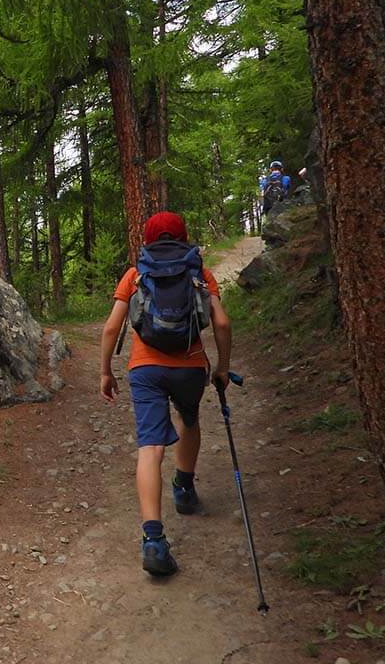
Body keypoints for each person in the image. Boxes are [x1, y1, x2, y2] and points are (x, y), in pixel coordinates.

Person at [99, 212, 233, 576]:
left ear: (148, 238)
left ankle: (153, 540)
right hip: (189, 366)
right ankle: (184, 489)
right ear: (183, 236)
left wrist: (106, 371)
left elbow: (112, 327)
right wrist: (222, 367)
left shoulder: (135, 274)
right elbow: (220, 322)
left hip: (145, 370)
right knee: (189, 420)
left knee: (150, 447)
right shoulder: (200, 274)